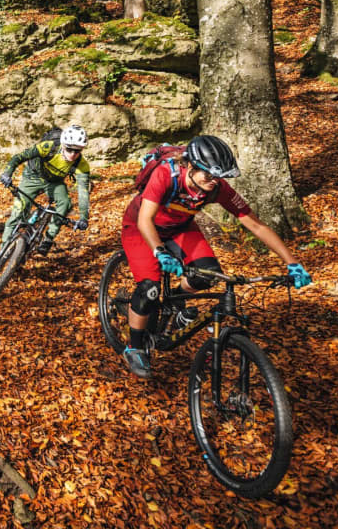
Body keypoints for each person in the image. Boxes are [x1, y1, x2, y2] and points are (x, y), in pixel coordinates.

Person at [119, 135, 313, 379]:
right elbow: (145, 219)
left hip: (180, 228)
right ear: (190, 166)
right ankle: (134, 346)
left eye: (218, 176)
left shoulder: (218, 188)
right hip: (140, 227)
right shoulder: (167, 175)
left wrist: (292, 262)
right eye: (208, 175)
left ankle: (177, 303)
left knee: (207, 274)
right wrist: (159, 251)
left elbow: (256, 225)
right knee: (149, 290)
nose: (214, 181)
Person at [0, 124, 92, 255]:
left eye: (77, 151)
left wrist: (84, 218)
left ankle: (48, 239)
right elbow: (19, 157)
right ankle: (3, 252)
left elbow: (83, 192)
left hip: (54, 182)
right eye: (69, 149)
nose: (73, 154)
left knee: (65, 203)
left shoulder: (82, 164)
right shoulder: (48, 147)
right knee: (18, 211)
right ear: (63, 145)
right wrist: (7, 173)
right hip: (33, 176)